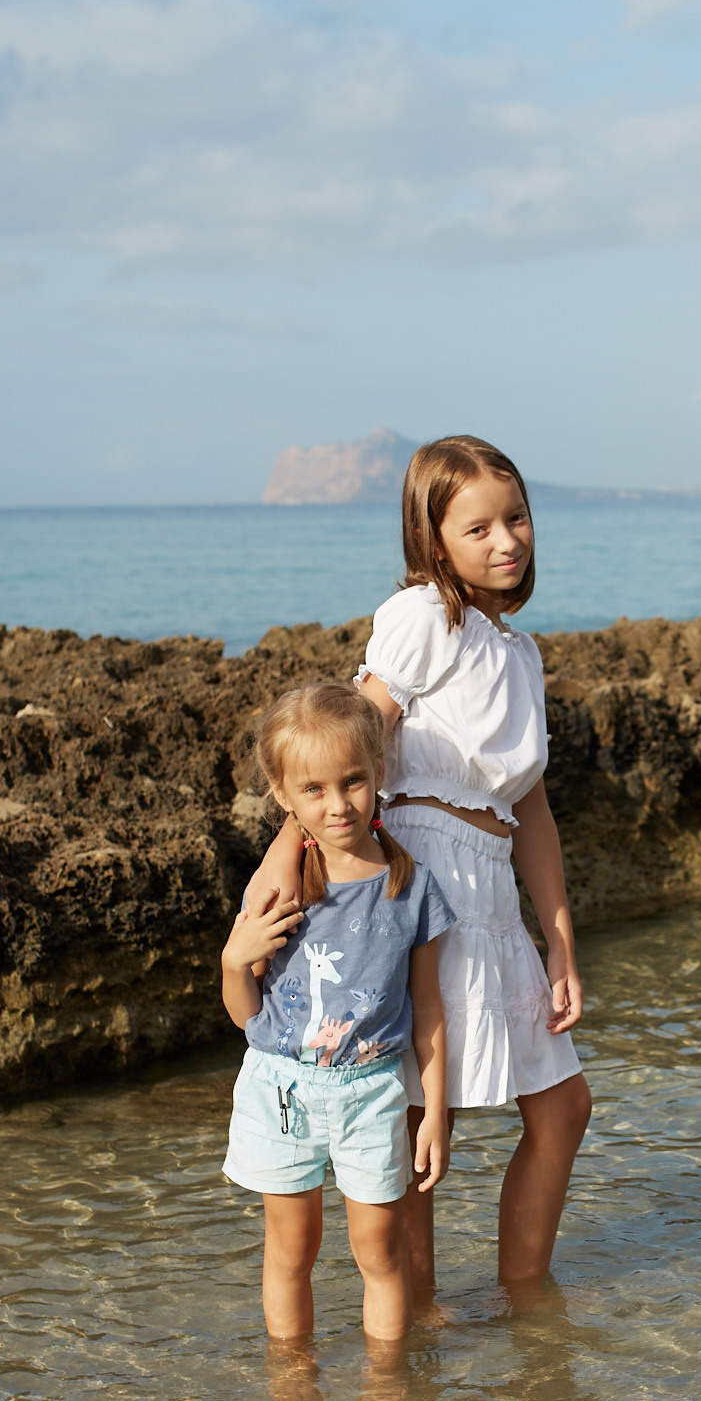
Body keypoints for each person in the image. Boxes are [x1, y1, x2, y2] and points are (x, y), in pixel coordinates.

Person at [244, 435, 590, 1301]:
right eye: (479, 528)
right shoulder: (423, 617)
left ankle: (524, 1300)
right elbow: (347, 745)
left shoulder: (521, 653)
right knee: (403, 1113)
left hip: (492, 880)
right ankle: (418, 1319)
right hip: (412, 866)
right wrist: (292, 846)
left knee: (562, 1106)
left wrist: (560, 943)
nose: (507, 541)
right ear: (435, 541)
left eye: (517, 519)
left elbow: (535, 808)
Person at [221, 681, 456, 1342]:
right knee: (291, 1249)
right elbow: (244, 1016)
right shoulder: (280, 887)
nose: (337, 804)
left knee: (379, 1250)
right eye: (314, 790)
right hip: (280, 1087)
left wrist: (433, 1109)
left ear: (380, 772)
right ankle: (294, 1385)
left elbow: (429, 1009)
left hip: (372, 1092)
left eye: (353, 781)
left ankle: (387, 1394)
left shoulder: (412, 888)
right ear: (283, 794)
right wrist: (232, 962)